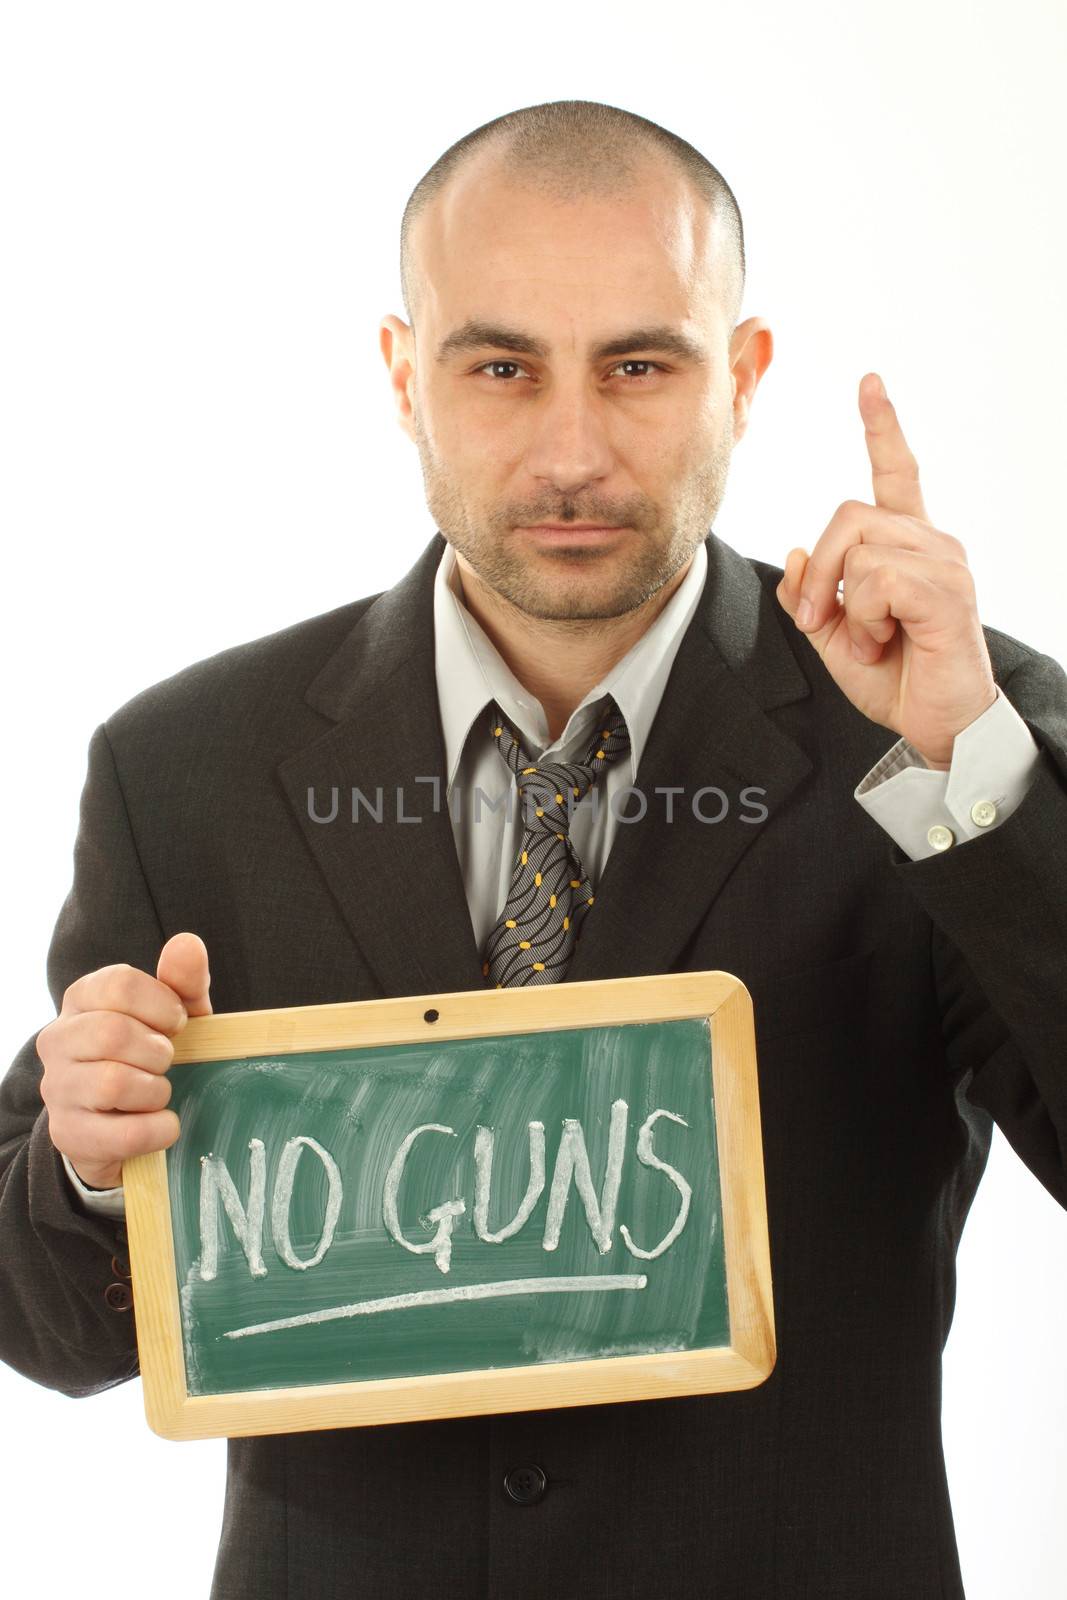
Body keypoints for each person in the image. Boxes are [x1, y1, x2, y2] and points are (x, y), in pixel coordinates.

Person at [2, 96, 1066, 1600]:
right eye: (500, 367)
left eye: (640, 365)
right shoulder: (183, 769)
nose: (573, 450)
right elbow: (43, 1324)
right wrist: (96, 1168)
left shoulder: (954, 722)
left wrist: (972, 780)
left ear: (744, 379)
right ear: (402, 376)